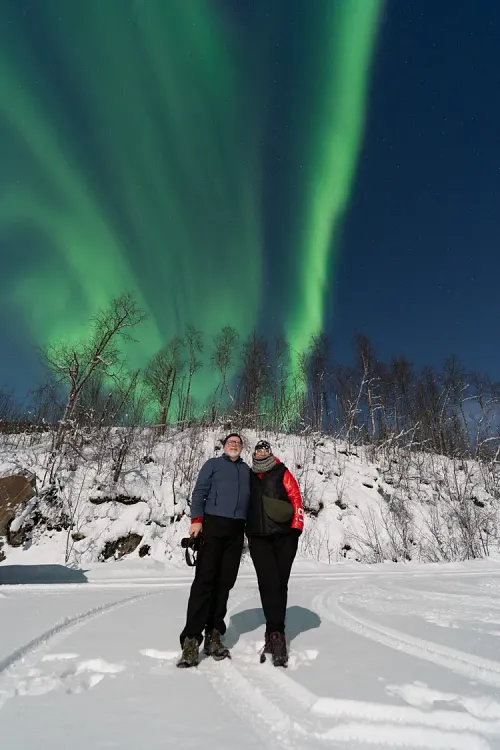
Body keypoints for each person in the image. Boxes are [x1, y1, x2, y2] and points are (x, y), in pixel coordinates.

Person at [177, 432, 250, 668]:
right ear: (224, 445)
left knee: (225, 583)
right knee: (204, 582)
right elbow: (199, 492)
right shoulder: (213, 465)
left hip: (236, 531)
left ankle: (214, 635)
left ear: (241, 447)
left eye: (237, 442)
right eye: (231, 442)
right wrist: (196, 520)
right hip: (213, 526)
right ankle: (191, 640)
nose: (234, 444)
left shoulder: (246, 471)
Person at [246, 439, 304, 667]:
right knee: (267, 583)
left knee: (280, 584)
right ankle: (274, 632)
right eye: (258, 450)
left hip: (284, 536)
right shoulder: (248, 476)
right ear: (254, 454)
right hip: (258, 537)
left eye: (265, 450)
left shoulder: (282, 471)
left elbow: (295, 497)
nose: (261, 453)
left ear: (270, 453)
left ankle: (276, 633)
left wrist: (296, 528)